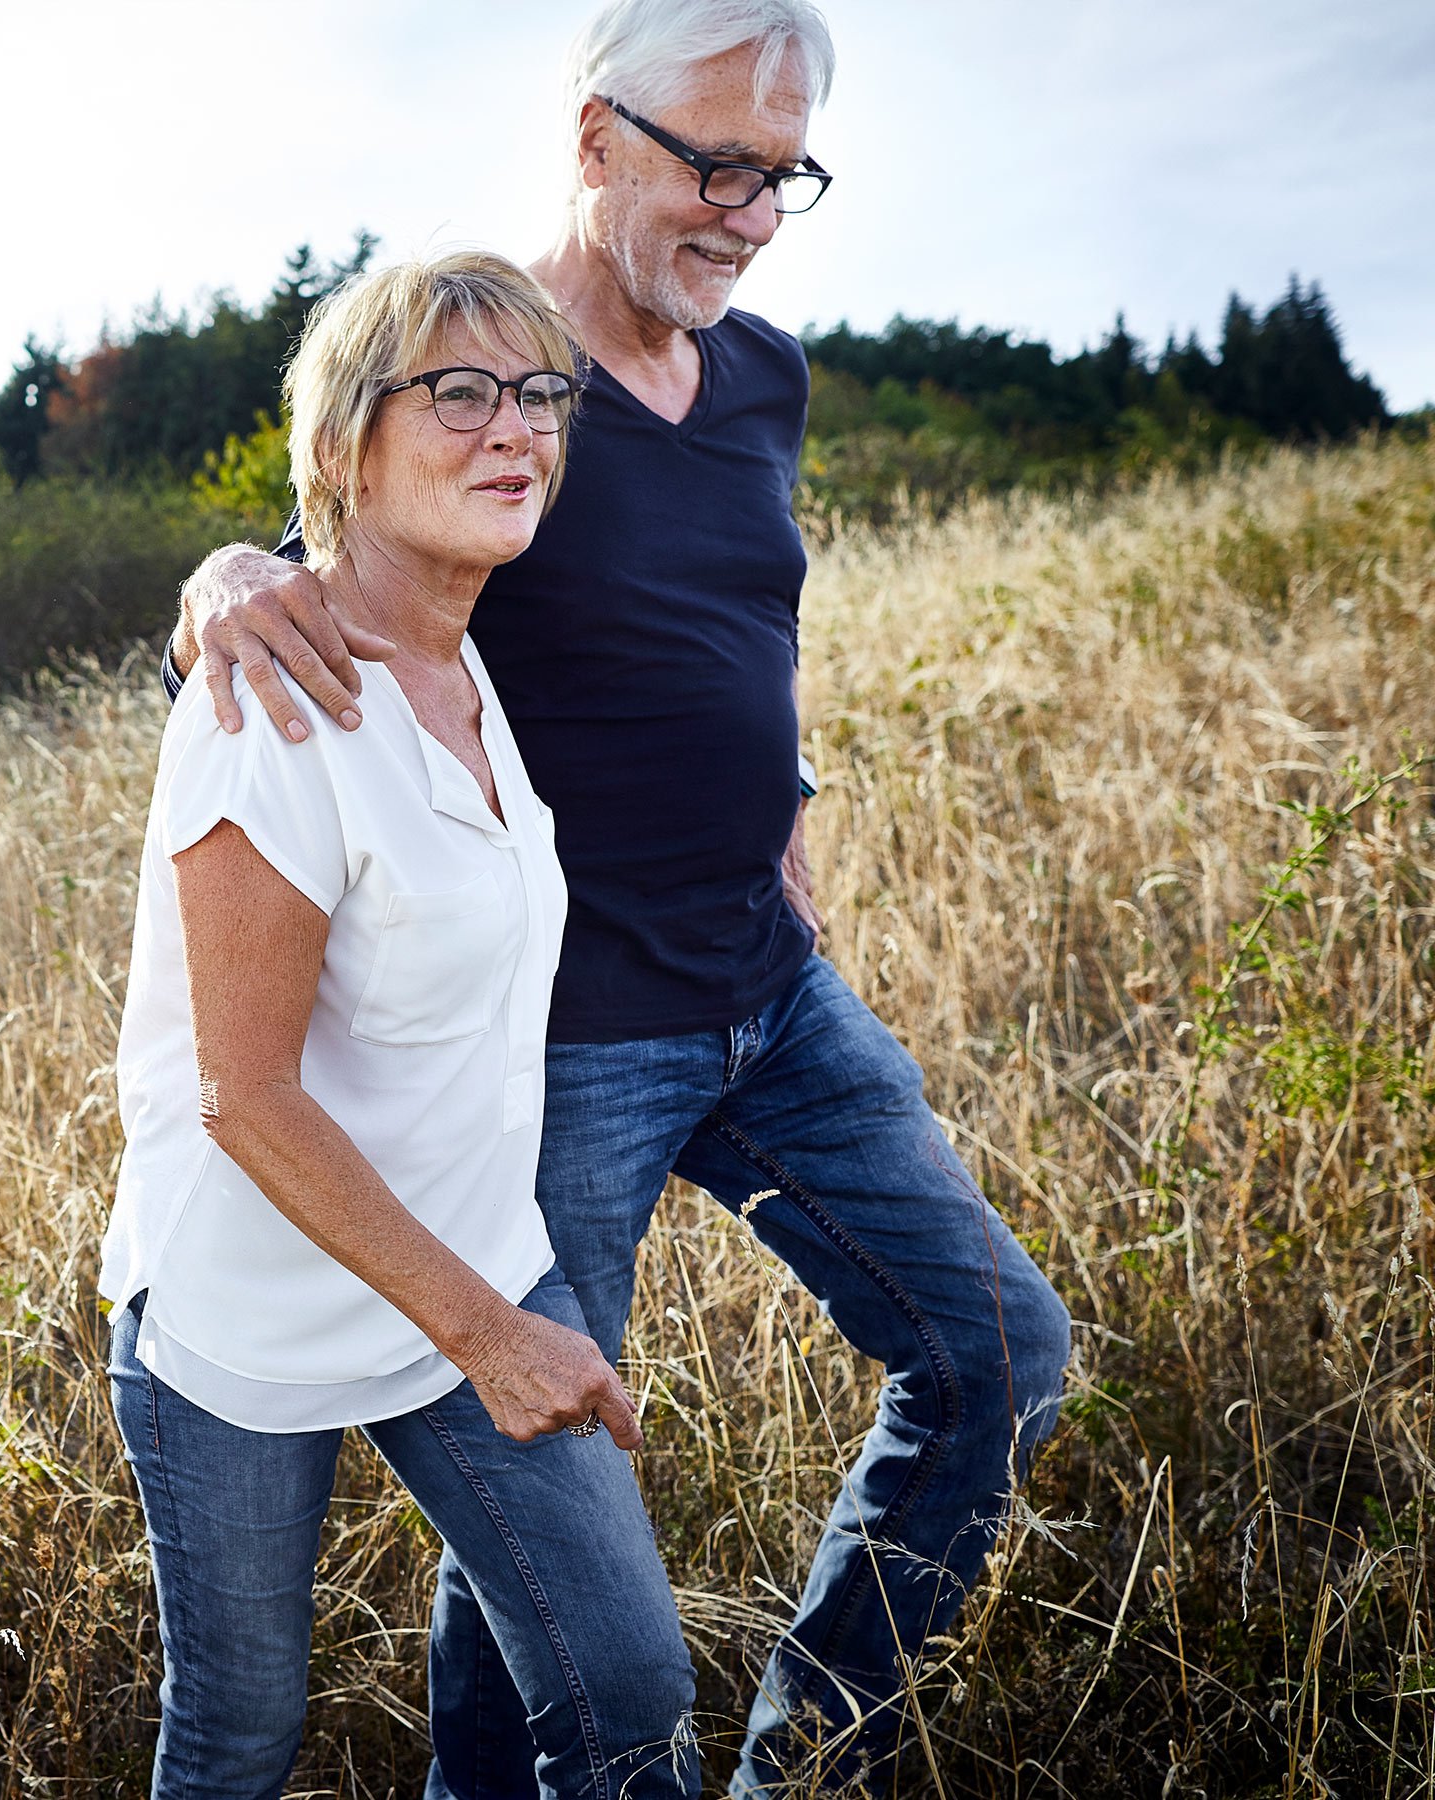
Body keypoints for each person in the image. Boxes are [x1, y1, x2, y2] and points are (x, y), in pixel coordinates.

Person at [163, 2, 1073, 1793]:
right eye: (715, 163)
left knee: (1000, 1353)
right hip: (569, 1045)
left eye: (785, 172)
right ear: (595, 142)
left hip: (775, 993)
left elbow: (749, 616)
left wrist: (785, 788)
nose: (748, 210)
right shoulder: (487, 365)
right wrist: (211, 585)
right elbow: (316, 576)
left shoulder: (764, 378)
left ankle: (810, 1761)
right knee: (549, 1505)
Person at [104, 250, 699, 1799]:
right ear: (344, 443)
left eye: (541, 395)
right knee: (240, 1735)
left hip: (469, 1254)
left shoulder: (469, 651)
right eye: (459, 392)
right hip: (247, 1315)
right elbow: (245, 1096)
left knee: (630, 1690)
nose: (517, 431)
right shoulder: (267, 707)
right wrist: (494, 1336)